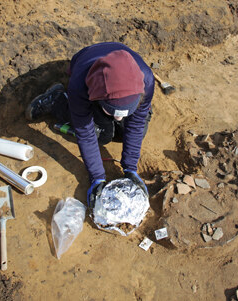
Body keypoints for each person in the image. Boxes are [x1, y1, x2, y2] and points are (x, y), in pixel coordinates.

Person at [25, 42, 154, 207]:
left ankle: (118, 109)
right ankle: (57, 100)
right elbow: (85, 132)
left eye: (125, 112)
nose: (119, 118)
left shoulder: (147, 81)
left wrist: (130, 168)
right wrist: (97, 176)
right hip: (88, 67)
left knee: (135, 130)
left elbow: (135, 124)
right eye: (112, 111)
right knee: (102, 135)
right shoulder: (80, 85)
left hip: (120, 88)